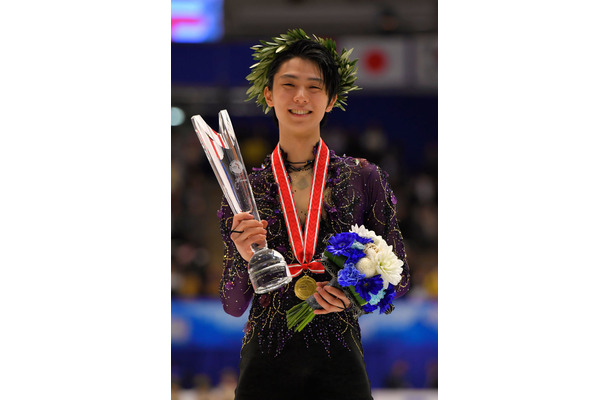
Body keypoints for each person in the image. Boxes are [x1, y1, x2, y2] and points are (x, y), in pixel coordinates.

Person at [216, 29, 411, 400]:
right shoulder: (242, 192)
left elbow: (399, 278)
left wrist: (355, 296)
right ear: (269, 94)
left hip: (340, 366)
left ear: (331, 99)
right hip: (265, 369)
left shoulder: (363, 178)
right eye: (289, 85)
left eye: (314, 87)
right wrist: (245, 259)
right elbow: (233, 303)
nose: (301, 97)